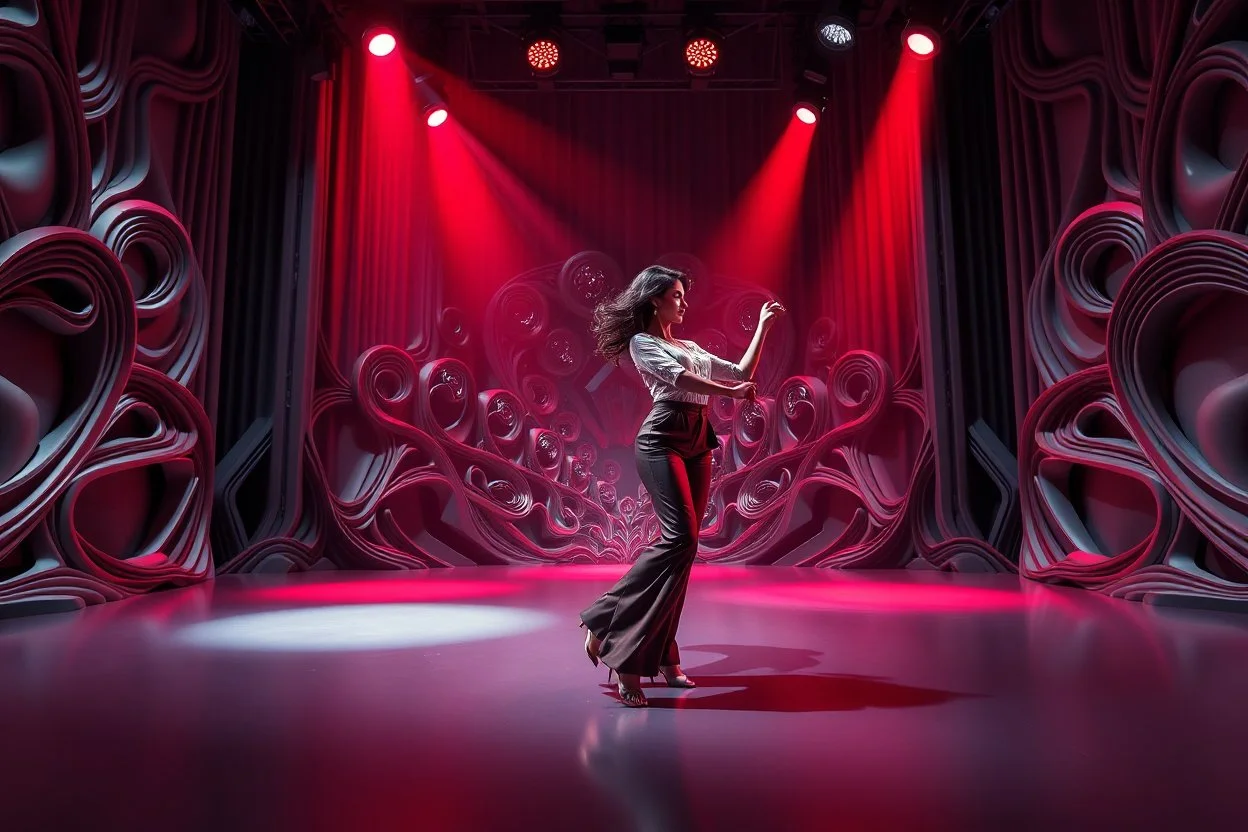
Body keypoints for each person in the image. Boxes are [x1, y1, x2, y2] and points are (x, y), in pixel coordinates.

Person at [579, 265, 786, 706]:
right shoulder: (643, 343)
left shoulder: (688, 346)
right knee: (681, 539)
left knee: (686, 551)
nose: (684, 303)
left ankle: (664, 655)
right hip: (662, 439)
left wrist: (763, 328)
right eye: (676, 296)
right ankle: (620, 646)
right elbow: (683, 382)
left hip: (697, 438)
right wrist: (730, 394)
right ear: (654, 300)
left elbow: (739, 369)